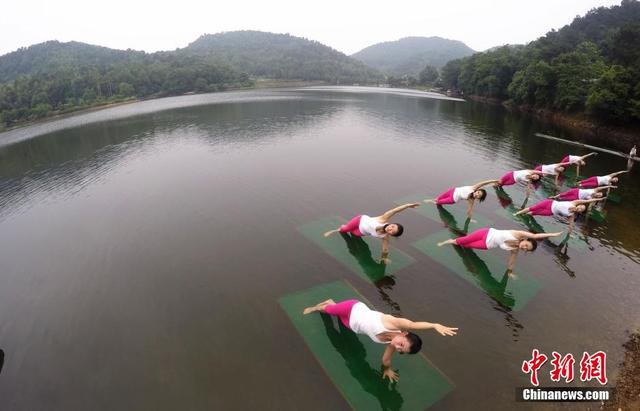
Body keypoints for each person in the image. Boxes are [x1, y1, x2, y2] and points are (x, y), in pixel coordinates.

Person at [302, 299, 458, 382]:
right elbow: (413, 324)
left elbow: (386, 359)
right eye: (401, 345)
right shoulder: (393, 323)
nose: (398, 347)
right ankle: (318, 307)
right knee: (327, 311)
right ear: (404, 334)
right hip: (352, 308)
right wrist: (434, 325)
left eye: (401, 351)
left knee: (336, 321)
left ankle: (332, 304)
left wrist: (387, 370)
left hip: (352, 325)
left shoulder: (391, 344)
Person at [324, 203, 420, 262]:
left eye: (392, 232)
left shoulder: (385, 236)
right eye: (392, 226)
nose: (390, 229)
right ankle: (336, 230)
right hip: (359, 220)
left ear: (391, 234)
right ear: (392, 224)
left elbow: (385, 249)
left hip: (362, 231)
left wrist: (384, 258)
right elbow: (395, 211)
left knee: (354, 238)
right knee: (345, 229)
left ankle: (347, 235)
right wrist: (407, 206)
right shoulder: (384, 218)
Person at [437, 228, 562, 271]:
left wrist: (510, 272)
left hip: (486, 245)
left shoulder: (514, 249)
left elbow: (512, 262)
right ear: (526, 240)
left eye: (526, 250)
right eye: (526, 246)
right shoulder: (518, 234)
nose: (524, 247)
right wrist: (552, 235)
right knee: (462, 241)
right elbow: (535, 236)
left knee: (466, 245)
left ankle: (457, 241)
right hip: (485, 233)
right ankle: (447, 241)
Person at [513, 198, 605, 234]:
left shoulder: (571, 215)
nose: (581, 207)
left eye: (582, 209)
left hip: (550, 211)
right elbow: (587, 201)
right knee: (532, 208)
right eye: (581, 206)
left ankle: (525, 217)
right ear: (579, 205)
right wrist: (599, 199)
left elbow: (571, 225)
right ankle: (518, 213)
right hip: (549, 203)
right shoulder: (573, 202)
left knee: (534, 213)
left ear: (580, 212)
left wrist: (570, 233)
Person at [424, 179, 499, 218]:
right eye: (478, 193)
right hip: (452, 191)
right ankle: (432, 200)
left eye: (479, 196)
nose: (477, 195)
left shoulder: (471, 200)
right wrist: (493, 181)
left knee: (438, 202)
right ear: (478, 190)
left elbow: (469, 211)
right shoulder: (473, 187)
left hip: (452, 200)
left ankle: (431, 202)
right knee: (438, 198)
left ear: (478, 198)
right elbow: (484, 183)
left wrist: (470, 218)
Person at [550, 186, 615, 201]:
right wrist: (610, 186)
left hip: (577, 197)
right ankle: (554, 197)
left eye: (599, 196)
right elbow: (603, 187)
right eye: (599, 194)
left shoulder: (591, 198)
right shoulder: (594, 190)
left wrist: (602, 199)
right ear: (599, 192)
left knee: (564, 198)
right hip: (577, 191)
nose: (598, 195)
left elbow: (592, 203)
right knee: (564, 194)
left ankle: (556, 199)